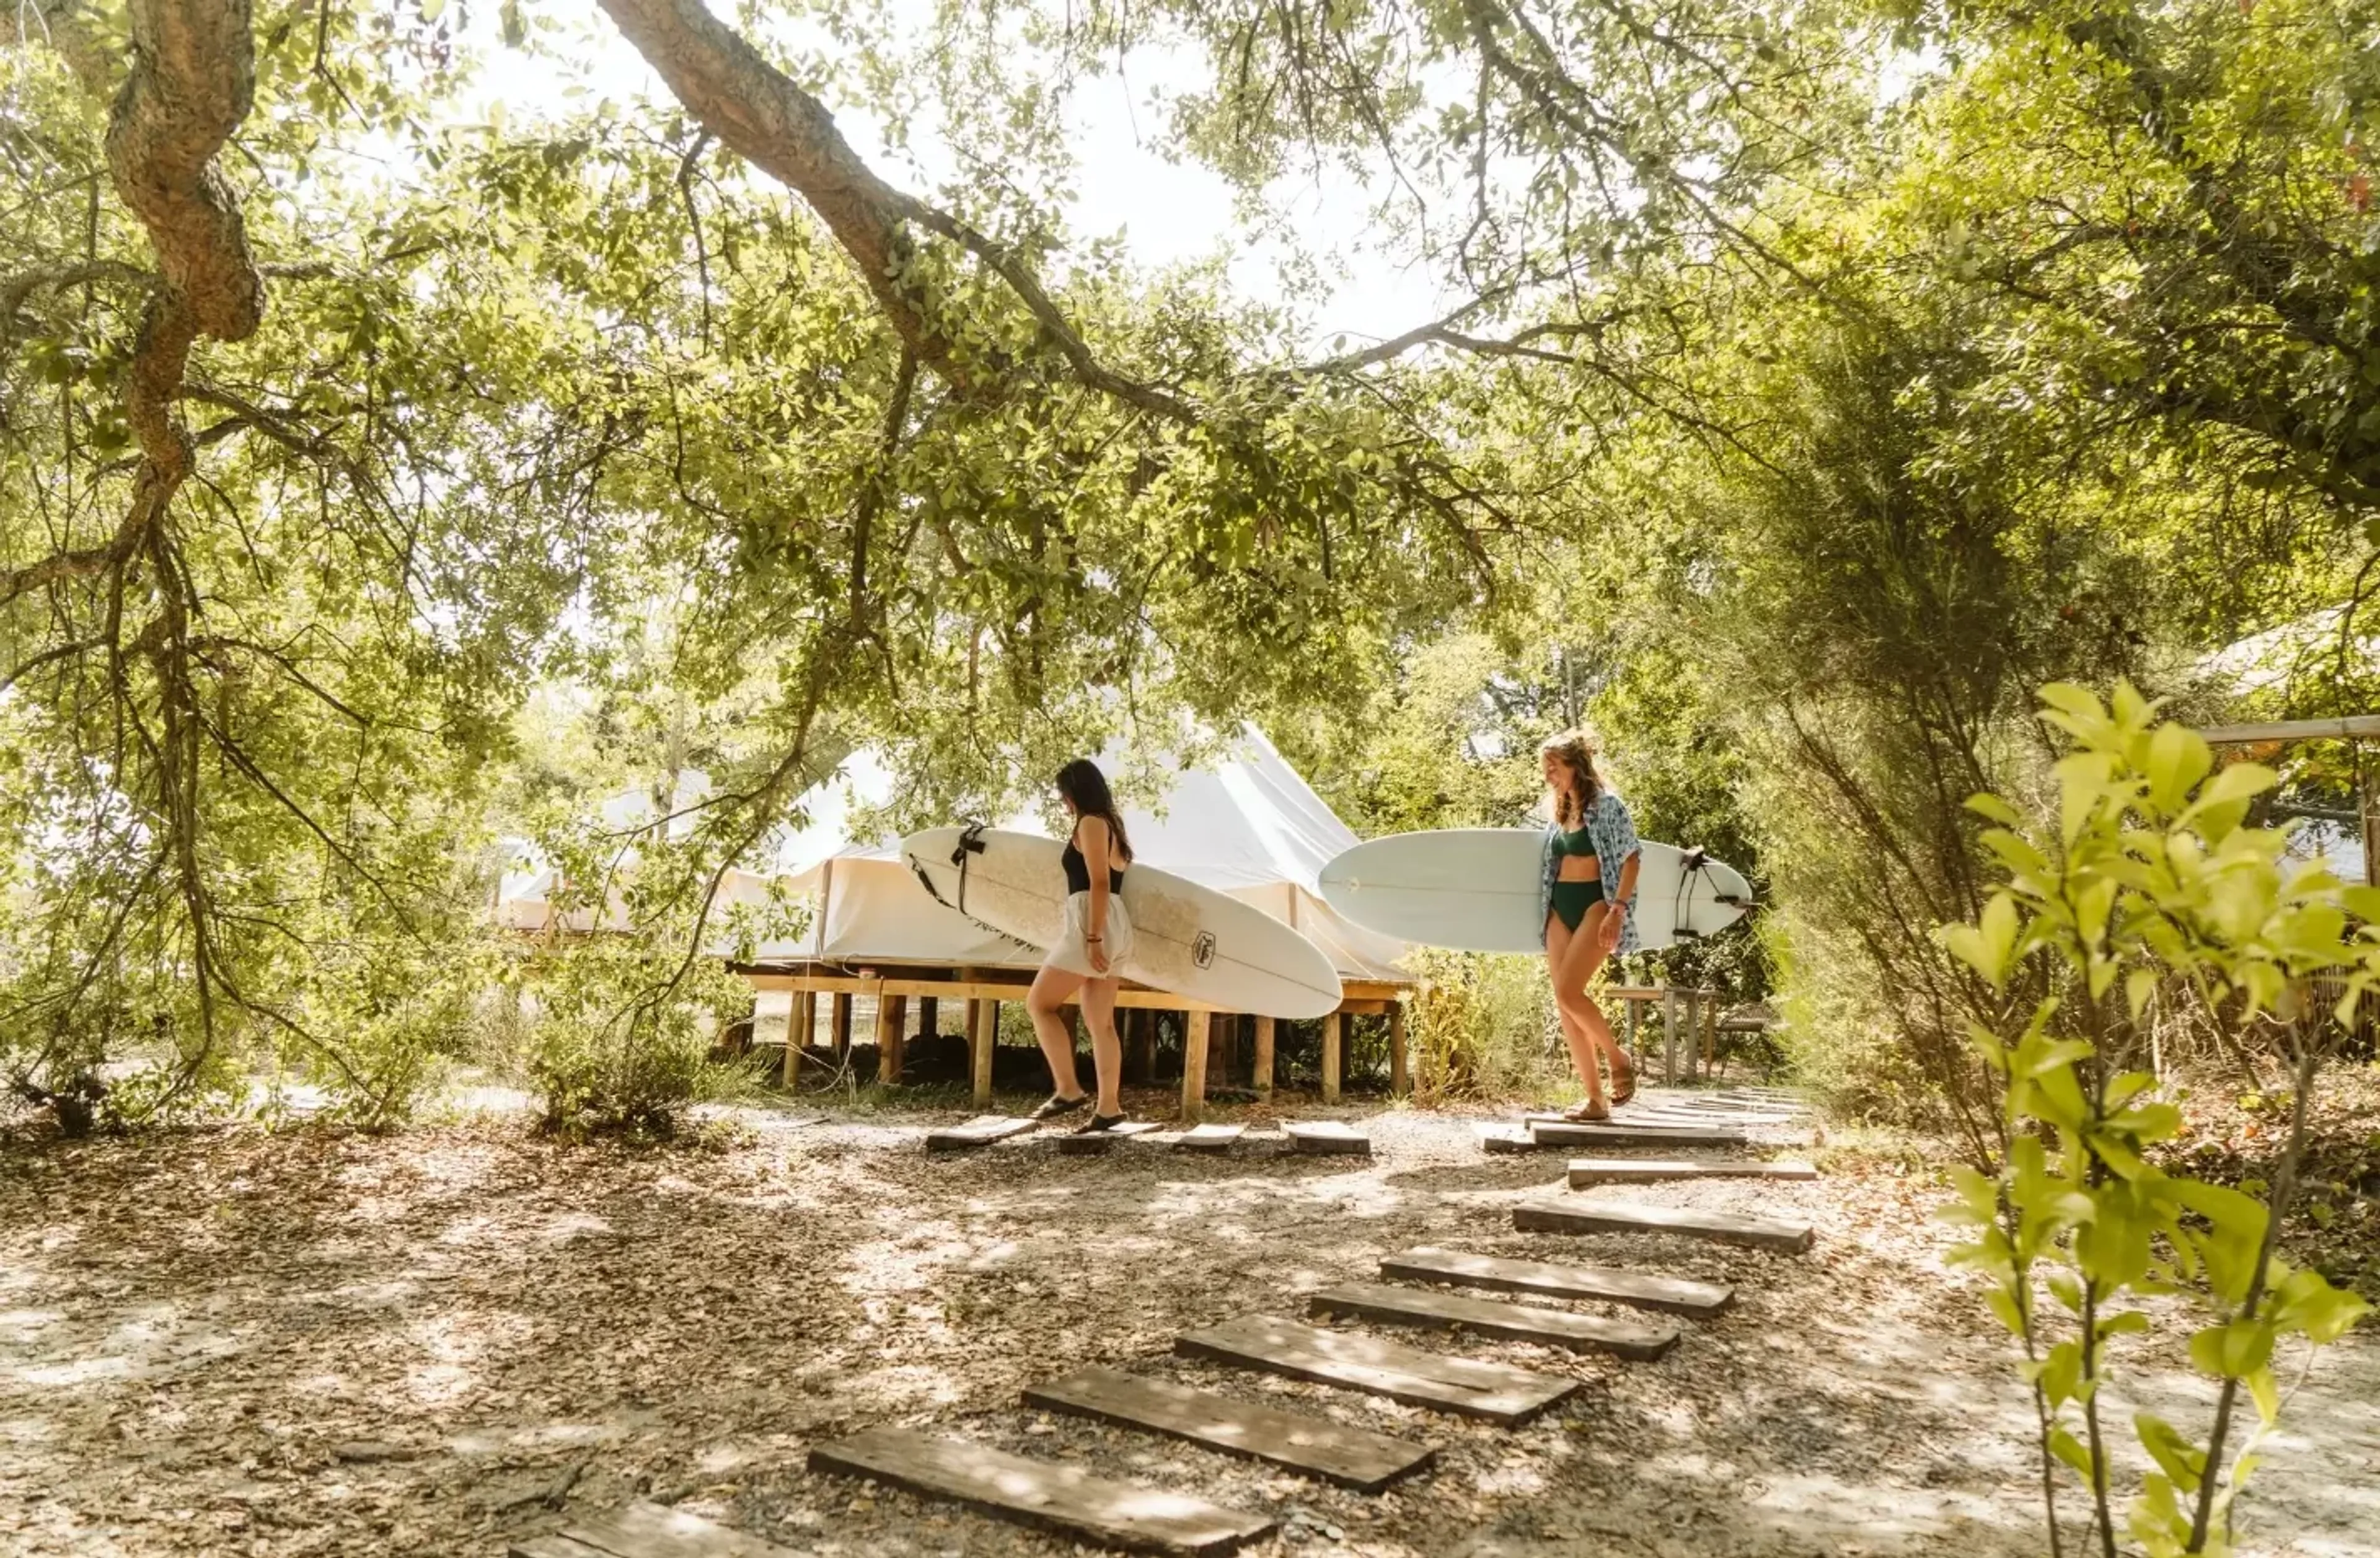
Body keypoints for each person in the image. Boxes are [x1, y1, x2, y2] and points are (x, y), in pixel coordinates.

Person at [1025, 758, 1136, 1132]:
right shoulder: (1113, 826)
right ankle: (1109, 1108)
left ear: (1076, 792)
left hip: (1094, 920)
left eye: (1064, 794)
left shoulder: (1091, 823)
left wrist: (1091, 937)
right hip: (1116, 923)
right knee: (1101, 1024)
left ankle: (1069, 1089)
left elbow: (1099, 883)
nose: (1063, 802)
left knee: (1039, 1004)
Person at [1538, 728, 1641, 1121]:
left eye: (1554, 767)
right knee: (1566, 1006)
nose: (1549, 775)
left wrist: (1617, 910)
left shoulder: (1608, 806)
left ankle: (1619, 1058)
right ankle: (1595, 1101)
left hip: (1597, 905)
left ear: (1575, 766)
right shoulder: (1559, 811)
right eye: (1545, 768)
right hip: (1558, 911)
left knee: (1569, 992)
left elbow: (1632, 858)